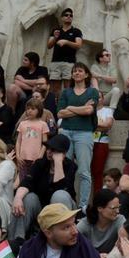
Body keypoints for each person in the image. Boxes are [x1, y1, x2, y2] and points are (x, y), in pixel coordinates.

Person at [9, 134, 77, 245]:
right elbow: (27, 182)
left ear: (63, 153)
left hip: (64, 208)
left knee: (60, 195)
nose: (49, 151)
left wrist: (58, 163)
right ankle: (16, 241)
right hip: (41, 209)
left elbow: (62, 188)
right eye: (48, 148)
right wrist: (17, 198)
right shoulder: (40, 163)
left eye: (54, 150)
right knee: (28, 197)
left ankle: (60, 239)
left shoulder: (70, 166)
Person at [57, 63, 99, 209]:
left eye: (80, 71)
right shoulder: (66, 92)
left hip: (84, 133)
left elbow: (89, 111)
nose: (76, 73)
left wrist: (70, 108)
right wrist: (80, 109)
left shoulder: (92, 92)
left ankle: (83, 207)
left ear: (86, 74)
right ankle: (66, 203)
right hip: (66, 131)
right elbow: (60, 113)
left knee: (84, 171)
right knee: (65, 169)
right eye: (74, 71)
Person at [78, 188, 125, 257]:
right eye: (113, 208)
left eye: (118, 207)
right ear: (100, 208)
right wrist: (96, 256)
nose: (117, 211)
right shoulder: (85, 224)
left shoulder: (119, 219)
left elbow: (125, 239)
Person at [14, 97, 50, 183]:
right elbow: (18, 141)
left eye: (33, 109)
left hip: (36, 158)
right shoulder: (22, 124)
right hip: (23, 159)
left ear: (39, 110)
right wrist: (18, 155)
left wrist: (40, 157)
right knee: (22, 180)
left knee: (34, 180)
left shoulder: (43, 124)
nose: (29, 111)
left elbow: (45, 143)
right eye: (28, 108)